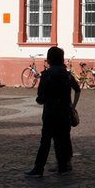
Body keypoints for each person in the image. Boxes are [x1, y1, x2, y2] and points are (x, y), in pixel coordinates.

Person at [25, 46, 80, 178]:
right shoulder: (67, 75)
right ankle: (63, 166)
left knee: (45, 141)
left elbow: (41, 98)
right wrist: (72, 106)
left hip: (50, 113)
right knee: (63, 139)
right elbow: (77, 89)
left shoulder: (47, 75)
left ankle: (39, 168)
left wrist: (41, 99)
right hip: (64, 112)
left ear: (49, 59)